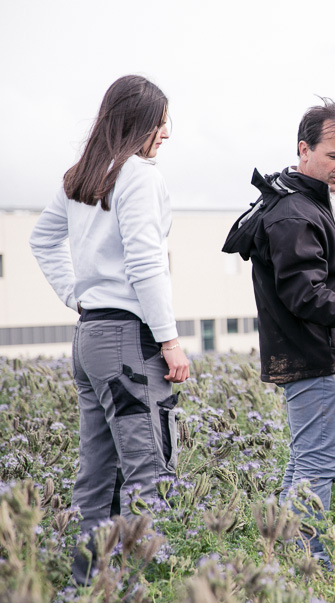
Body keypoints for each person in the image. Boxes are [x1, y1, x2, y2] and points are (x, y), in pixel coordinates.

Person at [29, 75, 189, 585]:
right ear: (142, 122)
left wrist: (77, 296)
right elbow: (146, 264)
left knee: (95, 481)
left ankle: (84, 588)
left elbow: (41, 239)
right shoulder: (138, 176)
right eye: (161, 121)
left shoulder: (83, 174)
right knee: (148, 474)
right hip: (127, 344)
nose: (166, 132)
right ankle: (148, 589)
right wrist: (169, 339)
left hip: (90, 339)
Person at [224, 98, 335, 559]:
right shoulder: (295, 212)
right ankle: (307, 567)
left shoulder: (299, 202)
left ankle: (278, 560)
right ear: (304, 150)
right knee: (318, 465)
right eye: (334, 156)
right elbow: (305, 294)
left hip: (310, 355)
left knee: (304, 463)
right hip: (312, 358)